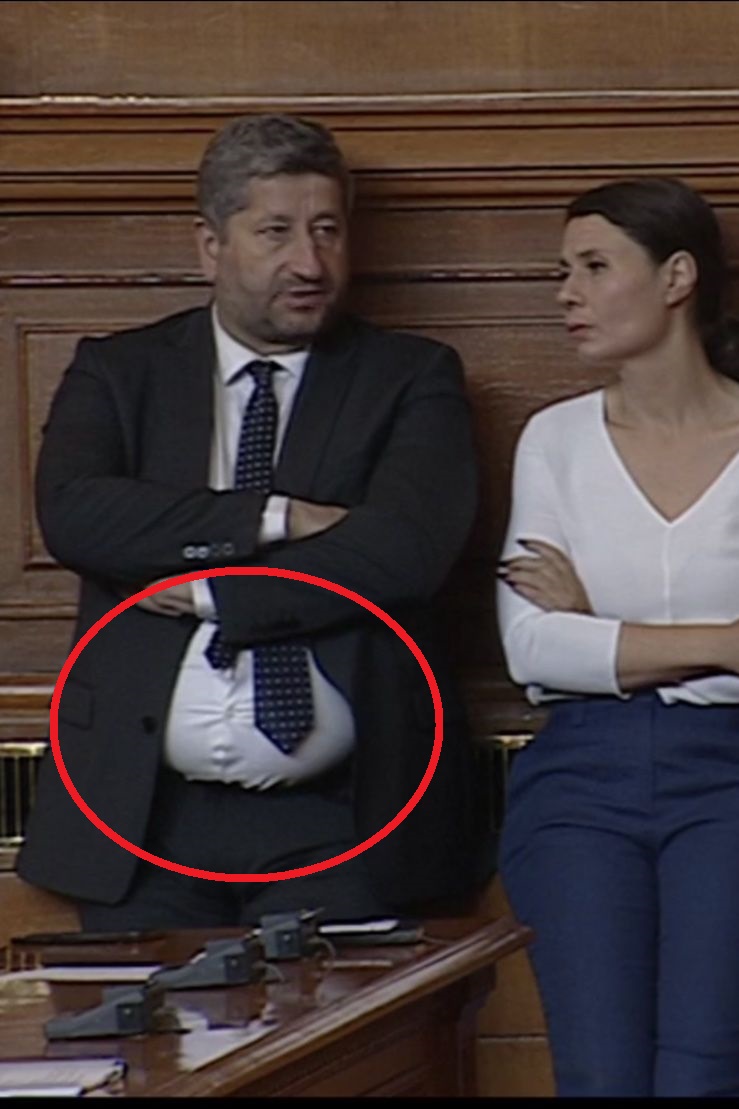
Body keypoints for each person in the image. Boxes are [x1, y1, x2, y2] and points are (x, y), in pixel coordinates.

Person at [18, 113, 481, 930]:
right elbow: (77, 513)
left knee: (355, 1022)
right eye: (276, 232)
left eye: (327, 230)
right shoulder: (119, 372)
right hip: (142, 823)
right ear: (210, 246)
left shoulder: (409, 377)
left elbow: (402, 550)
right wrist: (277, 516)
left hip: (345, 824)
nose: (309, 262)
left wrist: (211, 592)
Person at [496, 177, 739, 1098]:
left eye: (594, 267)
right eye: (563, 271)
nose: (568, 293)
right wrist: (723, 642)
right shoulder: (553, 441)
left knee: (702, 1075)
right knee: (599, 1075)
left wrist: (598, 627)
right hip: (579, 780)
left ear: (676, 277)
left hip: (727, 772)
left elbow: (572, 641)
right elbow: (532, 648)